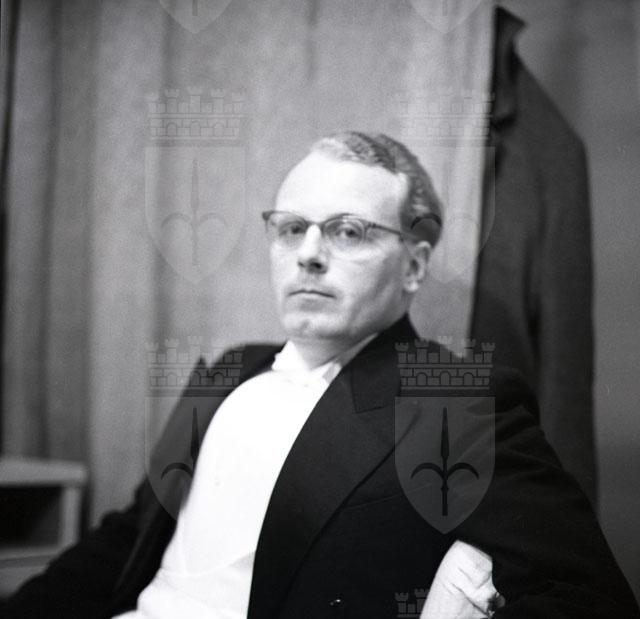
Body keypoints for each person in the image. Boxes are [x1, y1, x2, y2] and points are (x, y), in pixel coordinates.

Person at [4, 132, 638, 618]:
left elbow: (588, 599)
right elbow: (129, 535)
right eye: (290, 228)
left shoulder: (453, 402)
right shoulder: (230, 369)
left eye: (348, 231)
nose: (308, 253)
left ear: (415, 266)